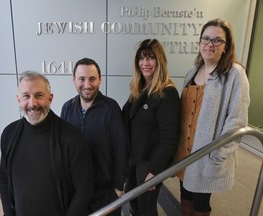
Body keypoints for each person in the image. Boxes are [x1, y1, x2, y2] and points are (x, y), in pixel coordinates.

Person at [175, 18, 250, 216]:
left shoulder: (235, 74)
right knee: (185, 199)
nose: (210, 44)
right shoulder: (192, 72)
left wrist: (217, 157)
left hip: (207, 155)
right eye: (205, 39)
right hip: (185, 152)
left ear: (226, 46)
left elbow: (236, 121)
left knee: (201, 205)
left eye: (217, 40)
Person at [0, 71, 93, 216]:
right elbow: (4, 180)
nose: (32, 103)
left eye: (39, 95)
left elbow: (84, 189)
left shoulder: (71, 137)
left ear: (50, 98)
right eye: (26, 96)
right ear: (18, 99)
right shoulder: (9, 134)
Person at [60, 58, 129, 215]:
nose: (87, 85)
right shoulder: (67, 108)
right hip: (76, 191)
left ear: (100, 80)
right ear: (74, 80)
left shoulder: (111, 108)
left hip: (105, 191)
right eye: (81, 79)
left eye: (92, 79)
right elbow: (62, 149)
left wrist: (119, 186)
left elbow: (122, 149)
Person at [122, 39, 180, 216]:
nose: (145, 63)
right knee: (134, 202)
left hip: (149, 164)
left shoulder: (167, 93)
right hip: (135, 161)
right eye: (141, 58)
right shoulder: (139, 90)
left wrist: (155, 171)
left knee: (146, 208)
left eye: (150, 58)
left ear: (159, 61)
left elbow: (169, 139)